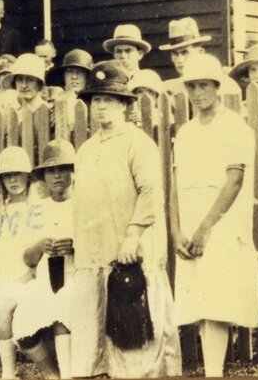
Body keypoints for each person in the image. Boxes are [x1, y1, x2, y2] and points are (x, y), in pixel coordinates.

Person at [70, 61, 181, 378]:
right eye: (97, 99)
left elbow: (150, 192)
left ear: (123, 104)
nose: (102, 106)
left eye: (109, 99)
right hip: (93, 255)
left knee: (137, 344)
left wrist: (132, 236)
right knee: (95, 342)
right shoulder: (87, 150)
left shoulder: (138, 143)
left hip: (130, 255)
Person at [170, 54, 258, 377]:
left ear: (217, 87)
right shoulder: (184, 133)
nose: (198, 93)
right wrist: (176, 230)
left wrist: (206, 228)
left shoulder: (234, 126)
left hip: (220, 221)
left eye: (204, 86)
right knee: (198, 301)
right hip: (190, 219)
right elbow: (176, 186)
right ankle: (212, 369)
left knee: (216, 301)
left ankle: (213, 371)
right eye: (192, 87)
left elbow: (234, 180)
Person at [12, 140, 76, 379]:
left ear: (72, 172)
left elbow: (99, 248)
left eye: (62, 169)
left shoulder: (82, 205)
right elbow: (28, 259)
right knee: (23, 323)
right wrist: (40, 246)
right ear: (44, 177)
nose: (57, 176)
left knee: (63, 308)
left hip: (76, 275)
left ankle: (68, 375)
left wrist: (74, 246)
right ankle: (52, 374)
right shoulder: (36, 209)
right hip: (44, 279)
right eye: (51, 171)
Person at [0, 147, 40, 380]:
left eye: (17, 174)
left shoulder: (37, 208)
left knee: (0, 308)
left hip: (26, 279)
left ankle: (8, 372)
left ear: (27, 176)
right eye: (7, 176)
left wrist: (21, 280)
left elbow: (37, 257)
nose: (13, 180)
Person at [45, 48, 93, 125]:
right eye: (69, 71)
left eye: (79, 72)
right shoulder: (56, 102)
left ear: (87, 77)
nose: (74, 76)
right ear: (64, 76)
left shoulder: (93, 103)